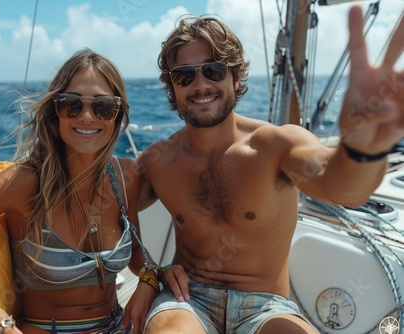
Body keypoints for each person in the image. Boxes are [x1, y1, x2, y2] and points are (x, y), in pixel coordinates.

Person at [138, 5, 404, 334]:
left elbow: (343, 188)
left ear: (235, 78)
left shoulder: (277, 146)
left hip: (265, 305)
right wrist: (151, 272)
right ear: (172, 88)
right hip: (187, 298)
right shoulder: (159, 162)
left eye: (215, 71)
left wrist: (362, 147)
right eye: (184, 76)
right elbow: (108, 206)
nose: (201, 84)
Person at [0, 48, 163, 334]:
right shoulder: (21, 184)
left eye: (103, 106)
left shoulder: (124, 176)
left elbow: (138, 249)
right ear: (55, 111)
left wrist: (149, 279)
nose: (87, 117)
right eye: (72, 105)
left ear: (118, 114)